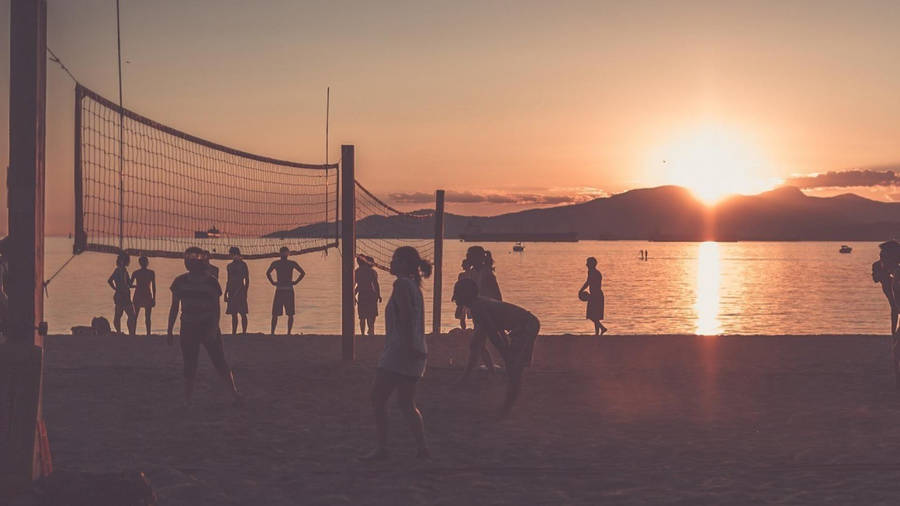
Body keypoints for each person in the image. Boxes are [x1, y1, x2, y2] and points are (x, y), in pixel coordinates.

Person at [362, 246, 431, 461]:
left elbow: (407, 318)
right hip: (415, 350)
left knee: (378, 398)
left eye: (394, 260)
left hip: (401, 352)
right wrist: (415, 348)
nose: (390, 263)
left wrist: (409, 347)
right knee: (406, 403)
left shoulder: (401, 284)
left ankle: (382, 449)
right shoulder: (413, 286)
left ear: (404, 263)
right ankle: (422, 448)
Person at [453, 278, 540, 418]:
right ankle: (505, 404)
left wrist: (505, 354)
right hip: (525, 324)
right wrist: (505, 350)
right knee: (510, 365)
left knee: (514, 368)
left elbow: (492, 332)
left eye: (457, 295)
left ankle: (506, 407)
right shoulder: (479, 304)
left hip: (526, 326)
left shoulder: (478, 307)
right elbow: (496, 327)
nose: (455, 299)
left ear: (465, 296)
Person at [167, 247, 241, 406]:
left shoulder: (211, 282)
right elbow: (174, 307)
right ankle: (187, 400)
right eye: (188, 258)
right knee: (190, 365)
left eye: (193, 259)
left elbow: (216, 308)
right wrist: (169, 330)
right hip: (188, 327)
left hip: (207, 326)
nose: (189, 261)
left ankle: (234, 394)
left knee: (219, 362)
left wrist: (213, 329)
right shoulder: (179, 281)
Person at [465, 246, 500, 374]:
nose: (467, 258)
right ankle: (491, 369)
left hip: (487, 312)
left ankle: (471, 373)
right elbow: (468, 290)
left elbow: (497, 295)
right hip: (478, 312)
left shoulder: (487, 274)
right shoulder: (473, 272)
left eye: (470, 255)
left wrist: (498, 313)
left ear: (479, 258)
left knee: (477, 343)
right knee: (480, 343)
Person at [874, 240, 900, 385]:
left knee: (897, 351)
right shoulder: (893, 277)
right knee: (896, 351)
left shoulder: (897, 277)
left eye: (883, 256)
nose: (880, 260)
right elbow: (895, 307)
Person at [266, 246, 305, 335]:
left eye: (285, 253)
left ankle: (276, 333)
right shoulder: (285, 263)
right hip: (284, 290)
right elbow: (268, 273)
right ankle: (282, 333)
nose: (284, 254)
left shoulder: (280, 263)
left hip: (284, 290)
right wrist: (295, 282)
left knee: (285, 314)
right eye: (284, 253)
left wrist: (273, 282)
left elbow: (268, 273)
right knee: (280, 314)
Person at [107, 252, 137, 335]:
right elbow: (110, 280)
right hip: (120, 295)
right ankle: (119, 332)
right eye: (123, 260)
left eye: (125, 260)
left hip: (126, 295)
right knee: (119, 315)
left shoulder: (125, 271)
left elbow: (129, 284)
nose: (124, 262)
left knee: (131, 315)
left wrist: (137, 286)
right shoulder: (117, 270)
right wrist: (115, 288)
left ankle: (130, 332)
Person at [579, 257, 608, 335]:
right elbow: (589, 282)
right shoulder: (592, 272)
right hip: (595, 295)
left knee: (593, 315)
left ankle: (602, 329)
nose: (586, 264)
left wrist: (581, 290)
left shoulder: (593, 272)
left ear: (591, 264)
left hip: (596, 295)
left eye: (588, 263)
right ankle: (597, 332)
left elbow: (588, 282)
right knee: (594, 315)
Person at [225, 246, 250, 335]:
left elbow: (247, 279)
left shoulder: (243, 265)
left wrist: (245, 291)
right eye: (231, 255)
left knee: (243, 313)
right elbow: (228, 280)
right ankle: (234, 332)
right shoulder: (229, 266)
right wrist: (226, 293)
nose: (232, 256)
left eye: (233, 254)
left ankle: (244, 332)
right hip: (231, 290)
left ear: (237, 254)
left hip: (240, 290)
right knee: (233, 313)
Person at [355, 254, 381, 335]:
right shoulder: (372, 272)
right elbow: (376, 284)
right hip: (371, 294)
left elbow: (357, 285)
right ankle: (371, 330)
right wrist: (378, 295)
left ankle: (362, 333)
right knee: (371, 315)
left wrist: (353, 295)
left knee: (362, 317)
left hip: (362, 295)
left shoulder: (357, 272)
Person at [131, 256, 156, 336]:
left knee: (135, 316)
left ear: (139, 263)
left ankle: (133, 333)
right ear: (147, 263)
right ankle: (148, 334)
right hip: (146, 295)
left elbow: (129, 284)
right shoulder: (151, 273)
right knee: (147, 317)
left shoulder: (136, 273)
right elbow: (153, 286)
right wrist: (154, 298)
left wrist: (136, 286)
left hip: (139, 295)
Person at [454, 259, 476, 329]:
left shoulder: (472, 273)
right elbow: (458, 286)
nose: (462, 266)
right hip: (464, 297)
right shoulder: (462, 275)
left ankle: (473, 329)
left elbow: (458, 286)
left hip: (469, 297)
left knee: (472, 315)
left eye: (463, 264)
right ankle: (464, 329)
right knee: (462, 316)